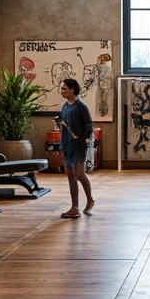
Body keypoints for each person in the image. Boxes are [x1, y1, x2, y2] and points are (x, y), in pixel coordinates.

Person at [57, 78, 95, 219]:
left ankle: (90, 199)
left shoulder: (80, 106)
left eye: (64, 88)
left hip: (78, 145)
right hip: (66, 144)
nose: (62, 91)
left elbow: (88, 124)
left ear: (72, 89)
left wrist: (82, 138)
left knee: (79, 174)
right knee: (70, 176)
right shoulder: (65, 106)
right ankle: (74, 207)